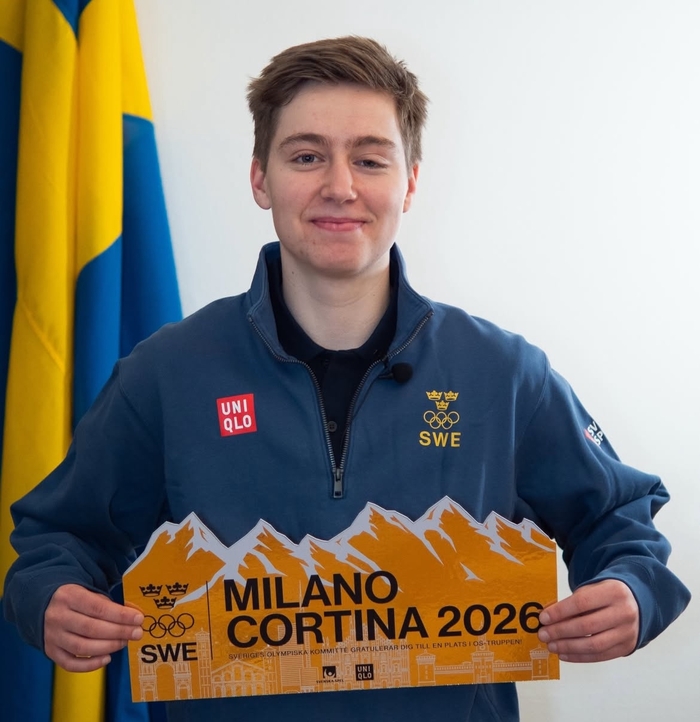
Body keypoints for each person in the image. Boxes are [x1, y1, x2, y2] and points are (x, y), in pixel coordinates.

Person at [3, 36, 690, 721]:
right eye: (306, 156)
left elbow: (618, 519)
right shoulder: (166, 374)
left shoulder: (504, 376)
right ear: (260, 179)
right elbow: (57, 538)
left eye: (369, 158)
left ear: (409, 182)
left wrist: (632, 591)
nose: (340, 186)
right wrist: (51, 598)